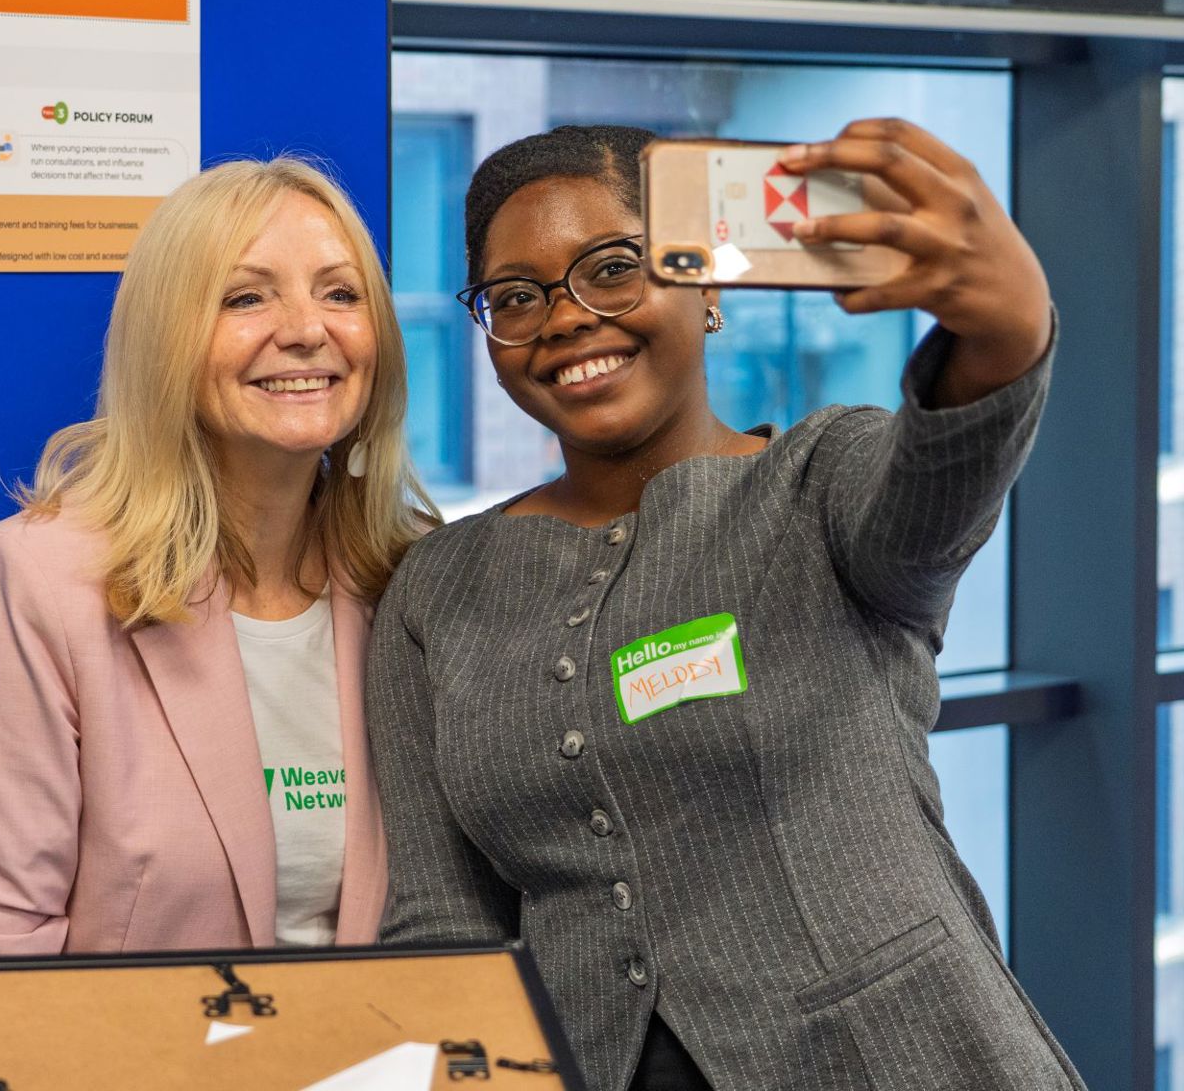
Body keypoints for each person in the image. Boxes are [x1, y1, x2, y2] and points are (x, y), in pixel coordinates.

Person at [366, 120, 1086, 1091]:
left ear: (703, 286)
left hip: (901, 1059)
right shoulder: (437, 587)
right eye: (517, 297)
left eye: (612, 269)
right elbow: (442, 924)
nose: (566, 317)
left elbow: (940, 480)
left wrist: (1004, 328)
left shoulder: (819, 484)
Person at [0, 157, 436, 1085]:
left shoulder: (413, 581)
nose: (305, 330)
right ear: (165, 340)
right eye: (245, 297)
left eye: (340, 293)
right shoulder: (34, 586)